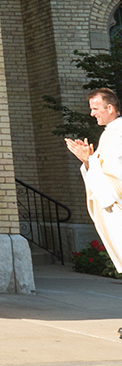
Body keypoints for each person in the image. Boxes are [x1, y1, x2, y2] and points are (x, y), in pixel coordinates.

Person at [66, 87, 121, 268]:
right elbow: (103, 168)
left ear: (110, 108)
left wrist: (90, 159)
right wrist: (87, 160)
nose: (92, 114)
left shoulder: (119, 133)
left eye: (95, 109)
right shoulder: (109, 132)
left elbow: (115, 172)